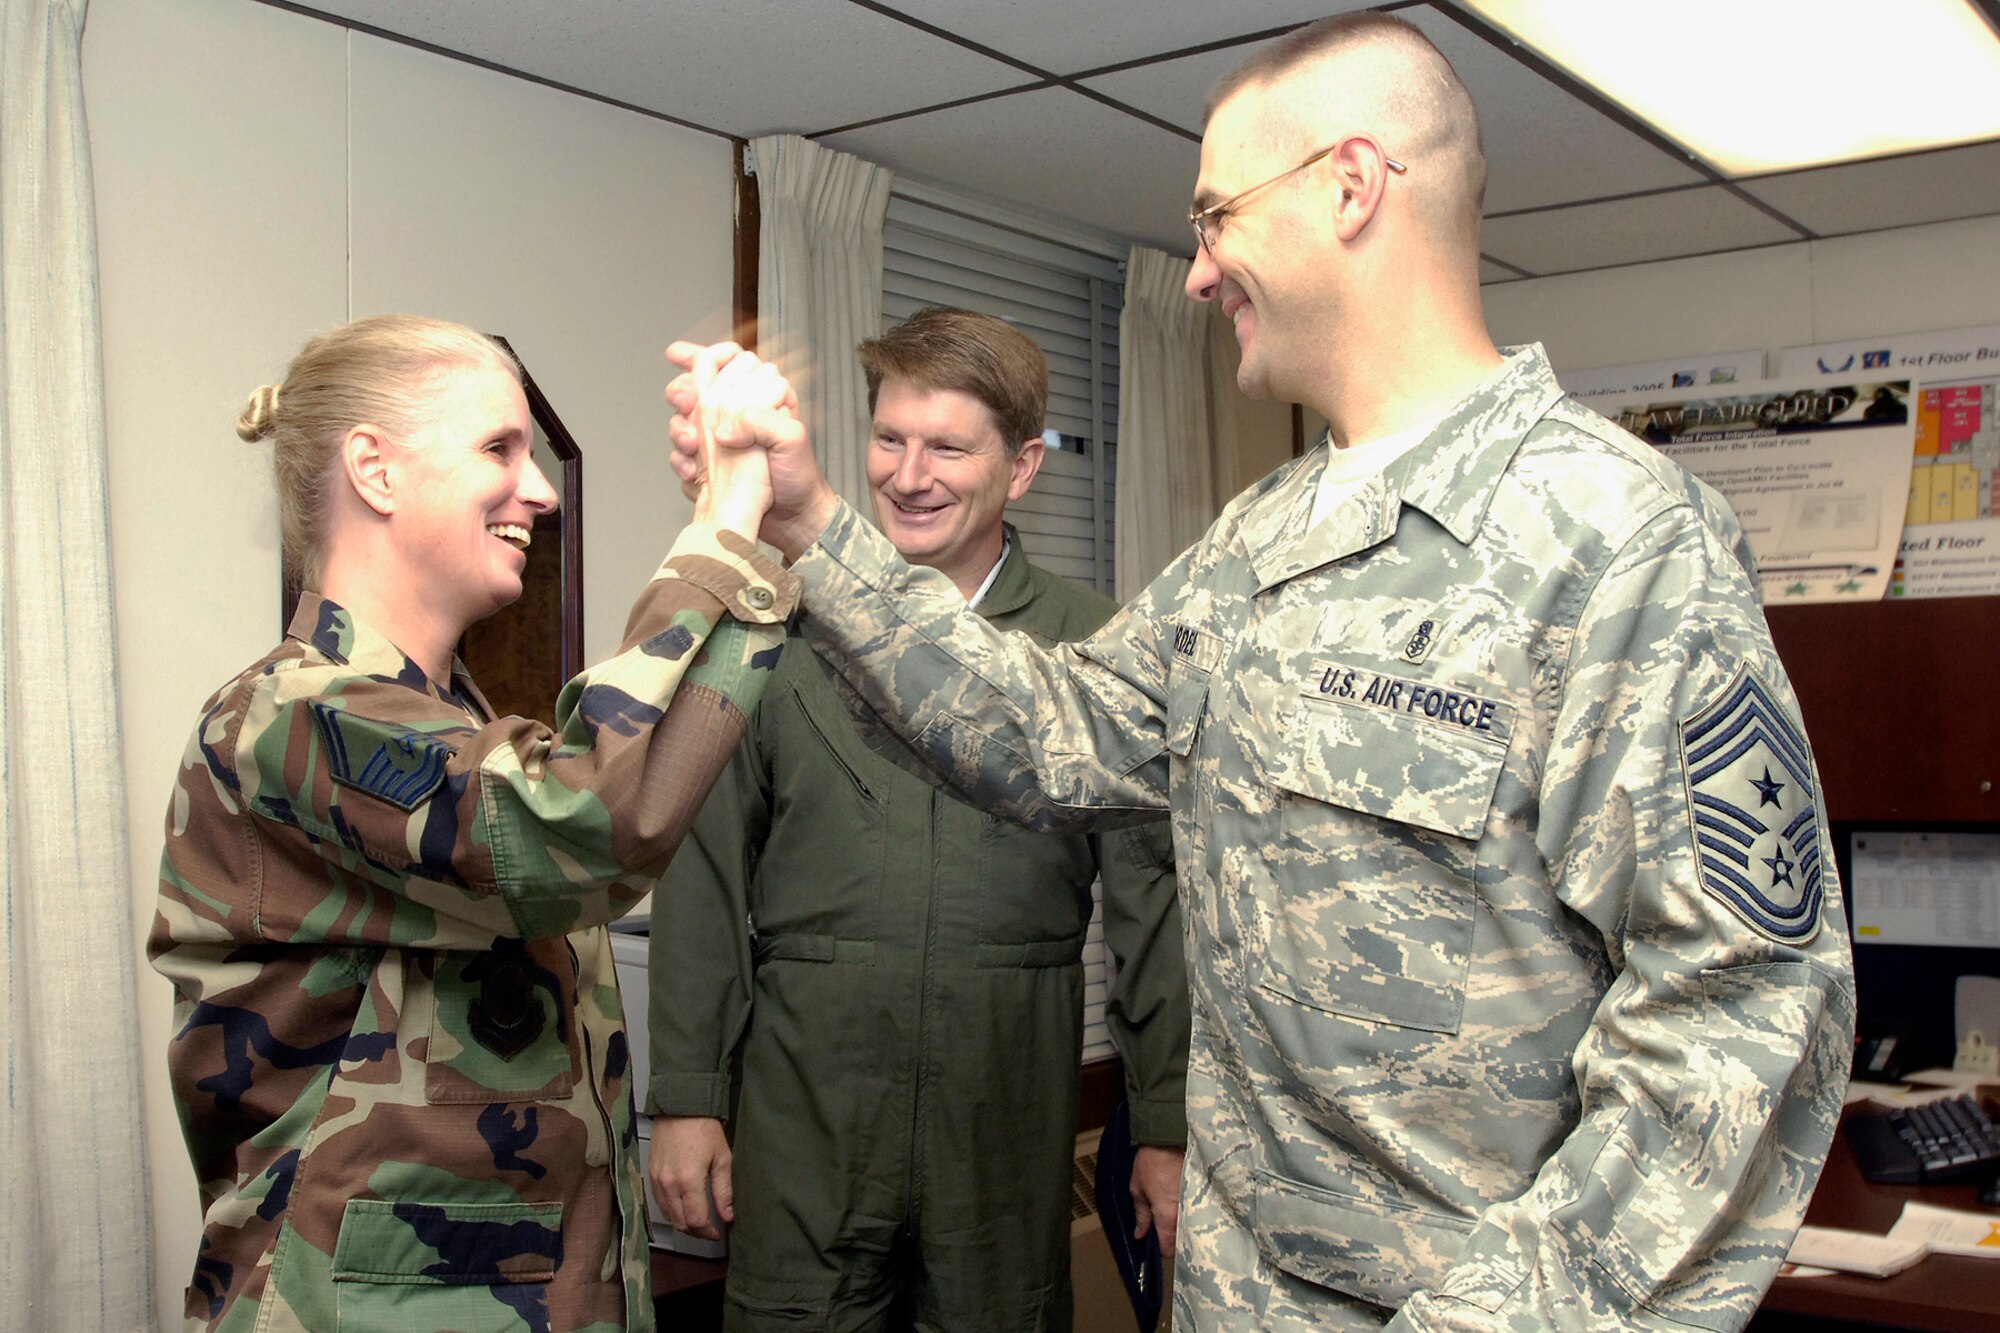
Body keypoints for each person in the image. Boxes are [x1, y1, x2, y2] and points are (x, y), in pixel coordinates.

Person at [665, 15, 1857, 1333]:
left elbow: (1745, 1010)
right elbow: (1044, 731)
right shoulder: (1256, 543)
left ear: (1352, 185)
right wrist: (812, 518)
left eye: (1218, 214)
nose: (1196, 271)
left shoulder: (1617, 541)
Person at [150, 314, 797, 1333]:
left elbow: (609, 802)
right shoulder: (291, 717)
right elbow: (579, 824)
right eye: (498, 448)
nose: (538, 488)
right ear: (374, 469)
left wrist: (754, 535)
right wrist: (724, 521)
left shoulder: (450, 728)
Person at [644, 307, 1189, 1330]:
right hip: (807, 1105)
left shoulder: (1092, 645)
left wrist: (1162, 1120)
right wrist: (685, 1097)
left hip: (1001, 1111)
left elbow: (1152, 907)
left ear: (1022, 466)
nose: (908, 474)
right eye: (890, 439)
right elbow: (703, 867)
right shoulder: (775, 621)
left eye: (947, 445)